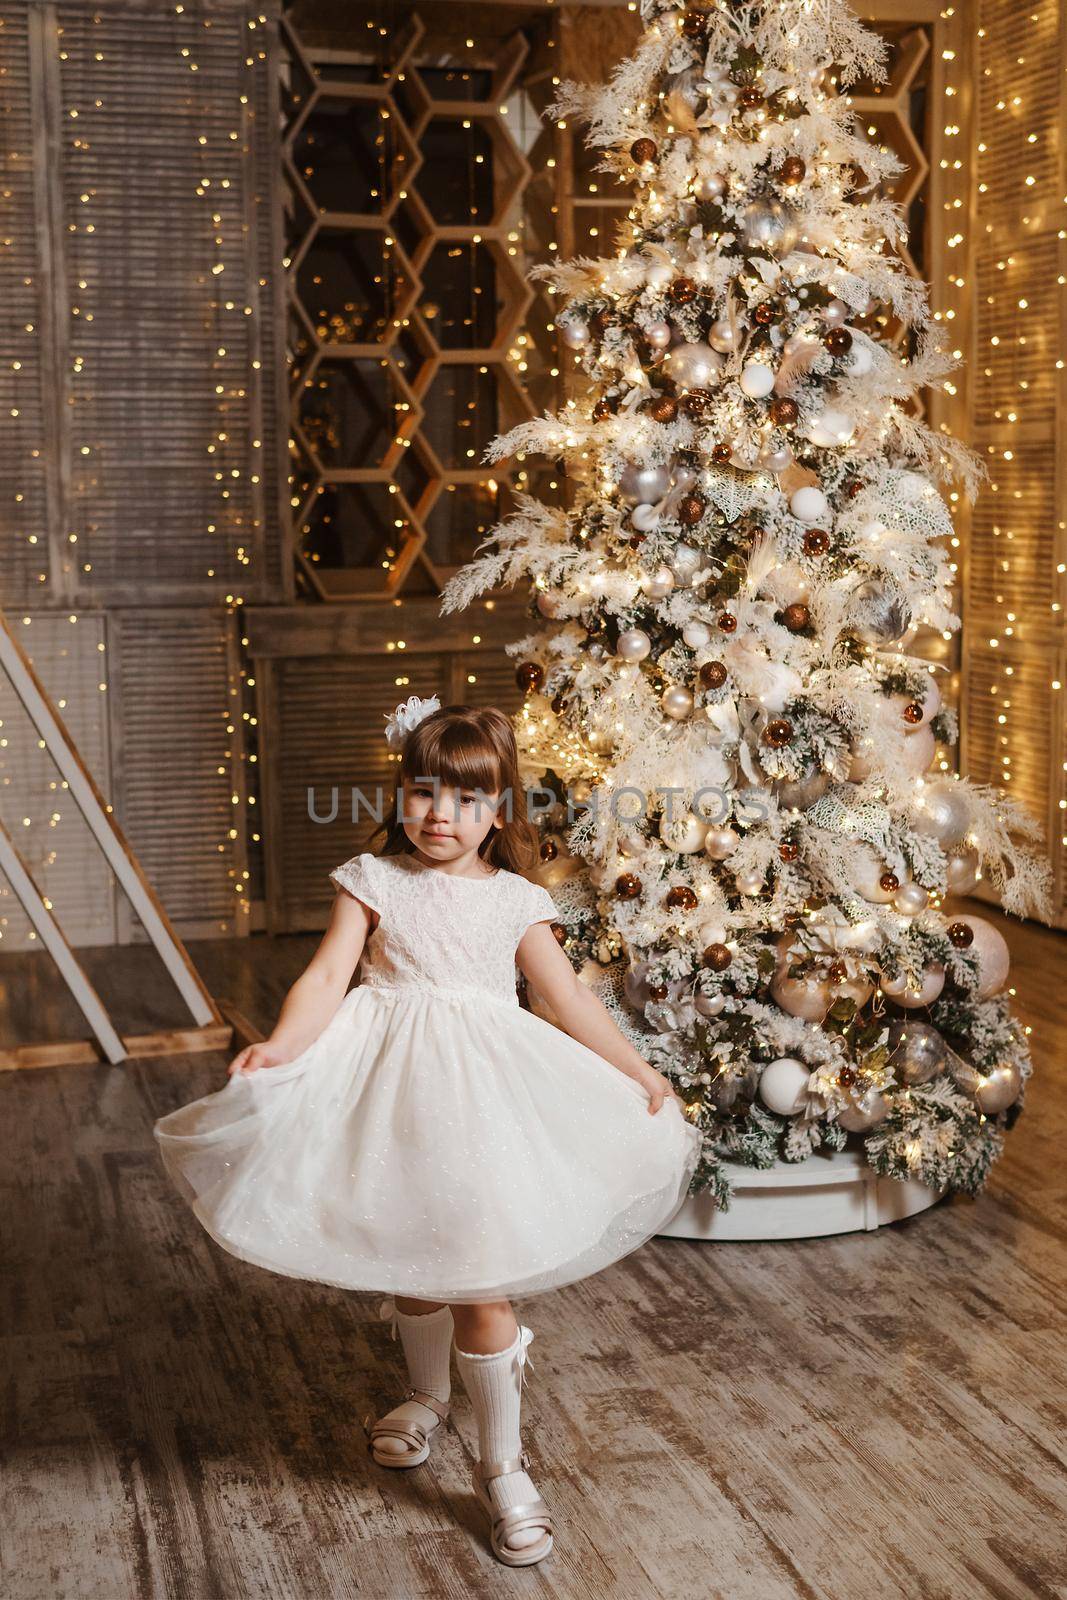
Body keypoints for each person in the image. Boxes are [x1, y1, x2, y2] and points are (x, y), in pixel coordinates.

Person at [154, 697, 702, 1568]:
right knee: (410, 1254)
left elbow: (563, 999)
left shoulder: (517, 900)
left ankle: (501, 1466)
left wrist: (635, 1070)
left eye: (467, 800)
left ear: (499, 812)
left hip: (484, 1099)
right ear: (400, 793)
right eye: (422, 793)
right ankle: (424, 1393)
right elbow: (327, 974)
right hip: (388, 1094)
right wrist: (282, 1046)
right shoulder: (372, 881)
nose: (440, 815)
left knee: (478, 1284)